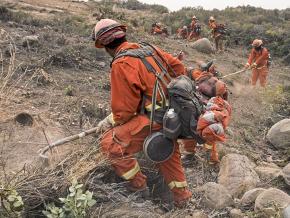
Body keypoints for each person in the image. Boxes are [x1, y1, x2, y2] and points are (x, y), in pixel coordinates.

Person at [92, 19, 192, 207]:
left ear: (105, 46)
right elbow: (179, 68)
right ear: (123, 34)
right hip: (173, 117)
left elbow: (124, 111)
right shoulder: (149, 49)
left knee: (110, 145)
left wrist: (110, 119)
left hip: (152, 121)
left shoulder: (122, 63)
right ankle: (183, 198)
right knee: (167, 152)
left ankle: (138, 187)